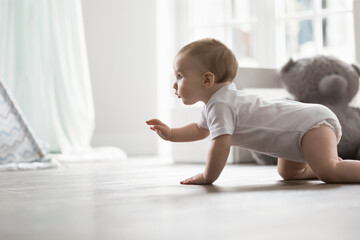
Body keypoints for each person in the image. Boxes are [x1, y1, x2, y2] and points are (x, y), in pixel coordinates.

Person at [146, 38, 360, 185]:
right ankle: (324, 160)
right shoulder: (216, 104)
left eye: (180, 76)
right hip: (294, 135)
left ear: (207, 79)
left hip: (309, 126)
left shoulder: (222, 105)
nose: (175, 84)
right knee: (289, 174)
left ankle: (329, 164)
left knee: (328, 172)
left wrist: (207, 176)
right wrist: (171, 133)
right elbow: (199, 130)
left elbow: (220, 145)